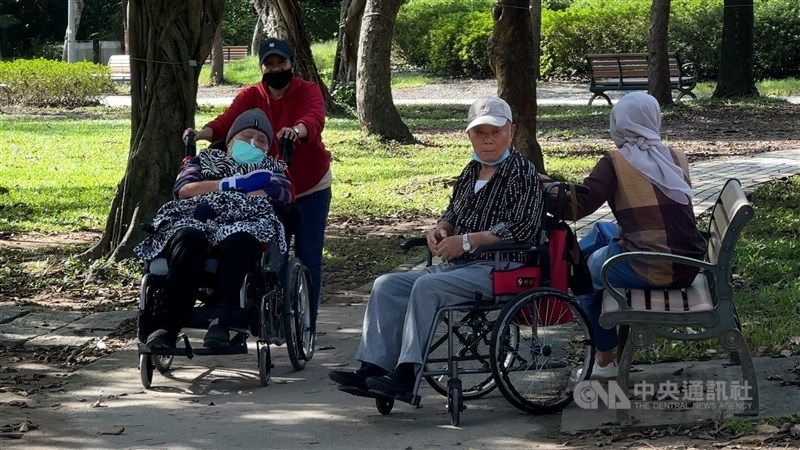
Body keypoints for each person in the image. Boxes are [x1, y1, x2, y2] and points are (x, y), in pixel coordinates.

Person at [328, 96, 545, 397]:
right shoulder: (471, 171)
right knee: (386, 285)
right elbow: (454, 213)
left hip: (501, 268)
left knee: (428, 288)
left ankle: (406, 375)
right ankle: (374, 368)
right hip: (461, 267)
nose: (488, 140)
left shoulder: (521, 172)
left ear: (512, 132)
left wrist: (468, 241)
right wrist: (442, 229)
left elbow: (523, 227)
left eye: (496, 132)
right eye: (481, 133)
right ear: (469, 135)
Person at [183, 37, 331, 326]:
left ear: (291, 64)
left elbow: (314, 118)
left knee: (308, 253)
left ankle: (306, 321)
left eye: (282, 63)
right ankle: (267, 309)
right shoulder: (252, 95)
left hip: (310, 186)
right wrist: (201, 134)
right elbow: (227, 122)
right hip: (266, 189)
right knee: (272, 252)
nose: (276, 69)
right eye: (270, 64)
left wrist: (296, 131)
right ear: (262, 67)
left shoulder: (308, 90)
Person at [563, 92, 706, 378]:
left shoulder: (615, 161)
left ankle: (604, 360)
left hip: (652, 268)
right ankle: (575, 257)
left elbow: (579, 206)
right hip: (688, 263)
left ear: (619, 123)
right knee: (603, 231)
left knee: (587, 274)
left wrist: (543, 191)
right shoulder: (676, 156)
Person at [136, 108, 293, 350]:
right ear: (229, 143)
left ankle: (223, 320)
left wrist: (224, 197)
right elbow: (185, 189)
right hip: (198, 219)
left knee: (240, 236)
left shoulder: (272, 169)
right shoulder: (203, 161)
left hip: (244, 223)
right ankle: (166, 326)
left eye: (261, 140)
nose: (253, 143)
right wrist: (231, 185)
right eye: (246, 137)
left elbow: (278, 193)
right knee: (189, 237)